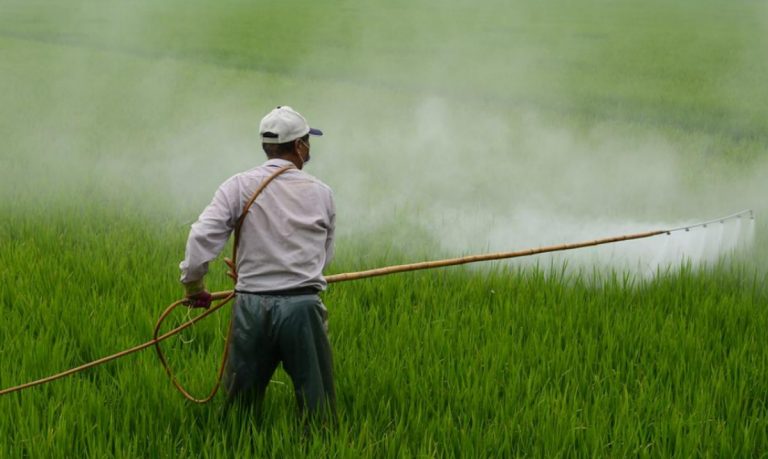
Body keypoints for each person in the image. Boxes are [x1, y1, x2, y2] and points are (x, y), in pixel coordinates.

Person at [178, 106, 336, 421]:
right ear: (299, 146)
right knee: (318, 408)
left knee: (240, 410)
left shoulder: (238, 185)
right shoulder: (321, 193)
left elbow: (201, 237)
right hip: (303, 307)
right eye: (307, 141)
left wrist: (194, 286)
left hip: (251, 306)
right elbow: (323, 255)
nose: (309, 148)